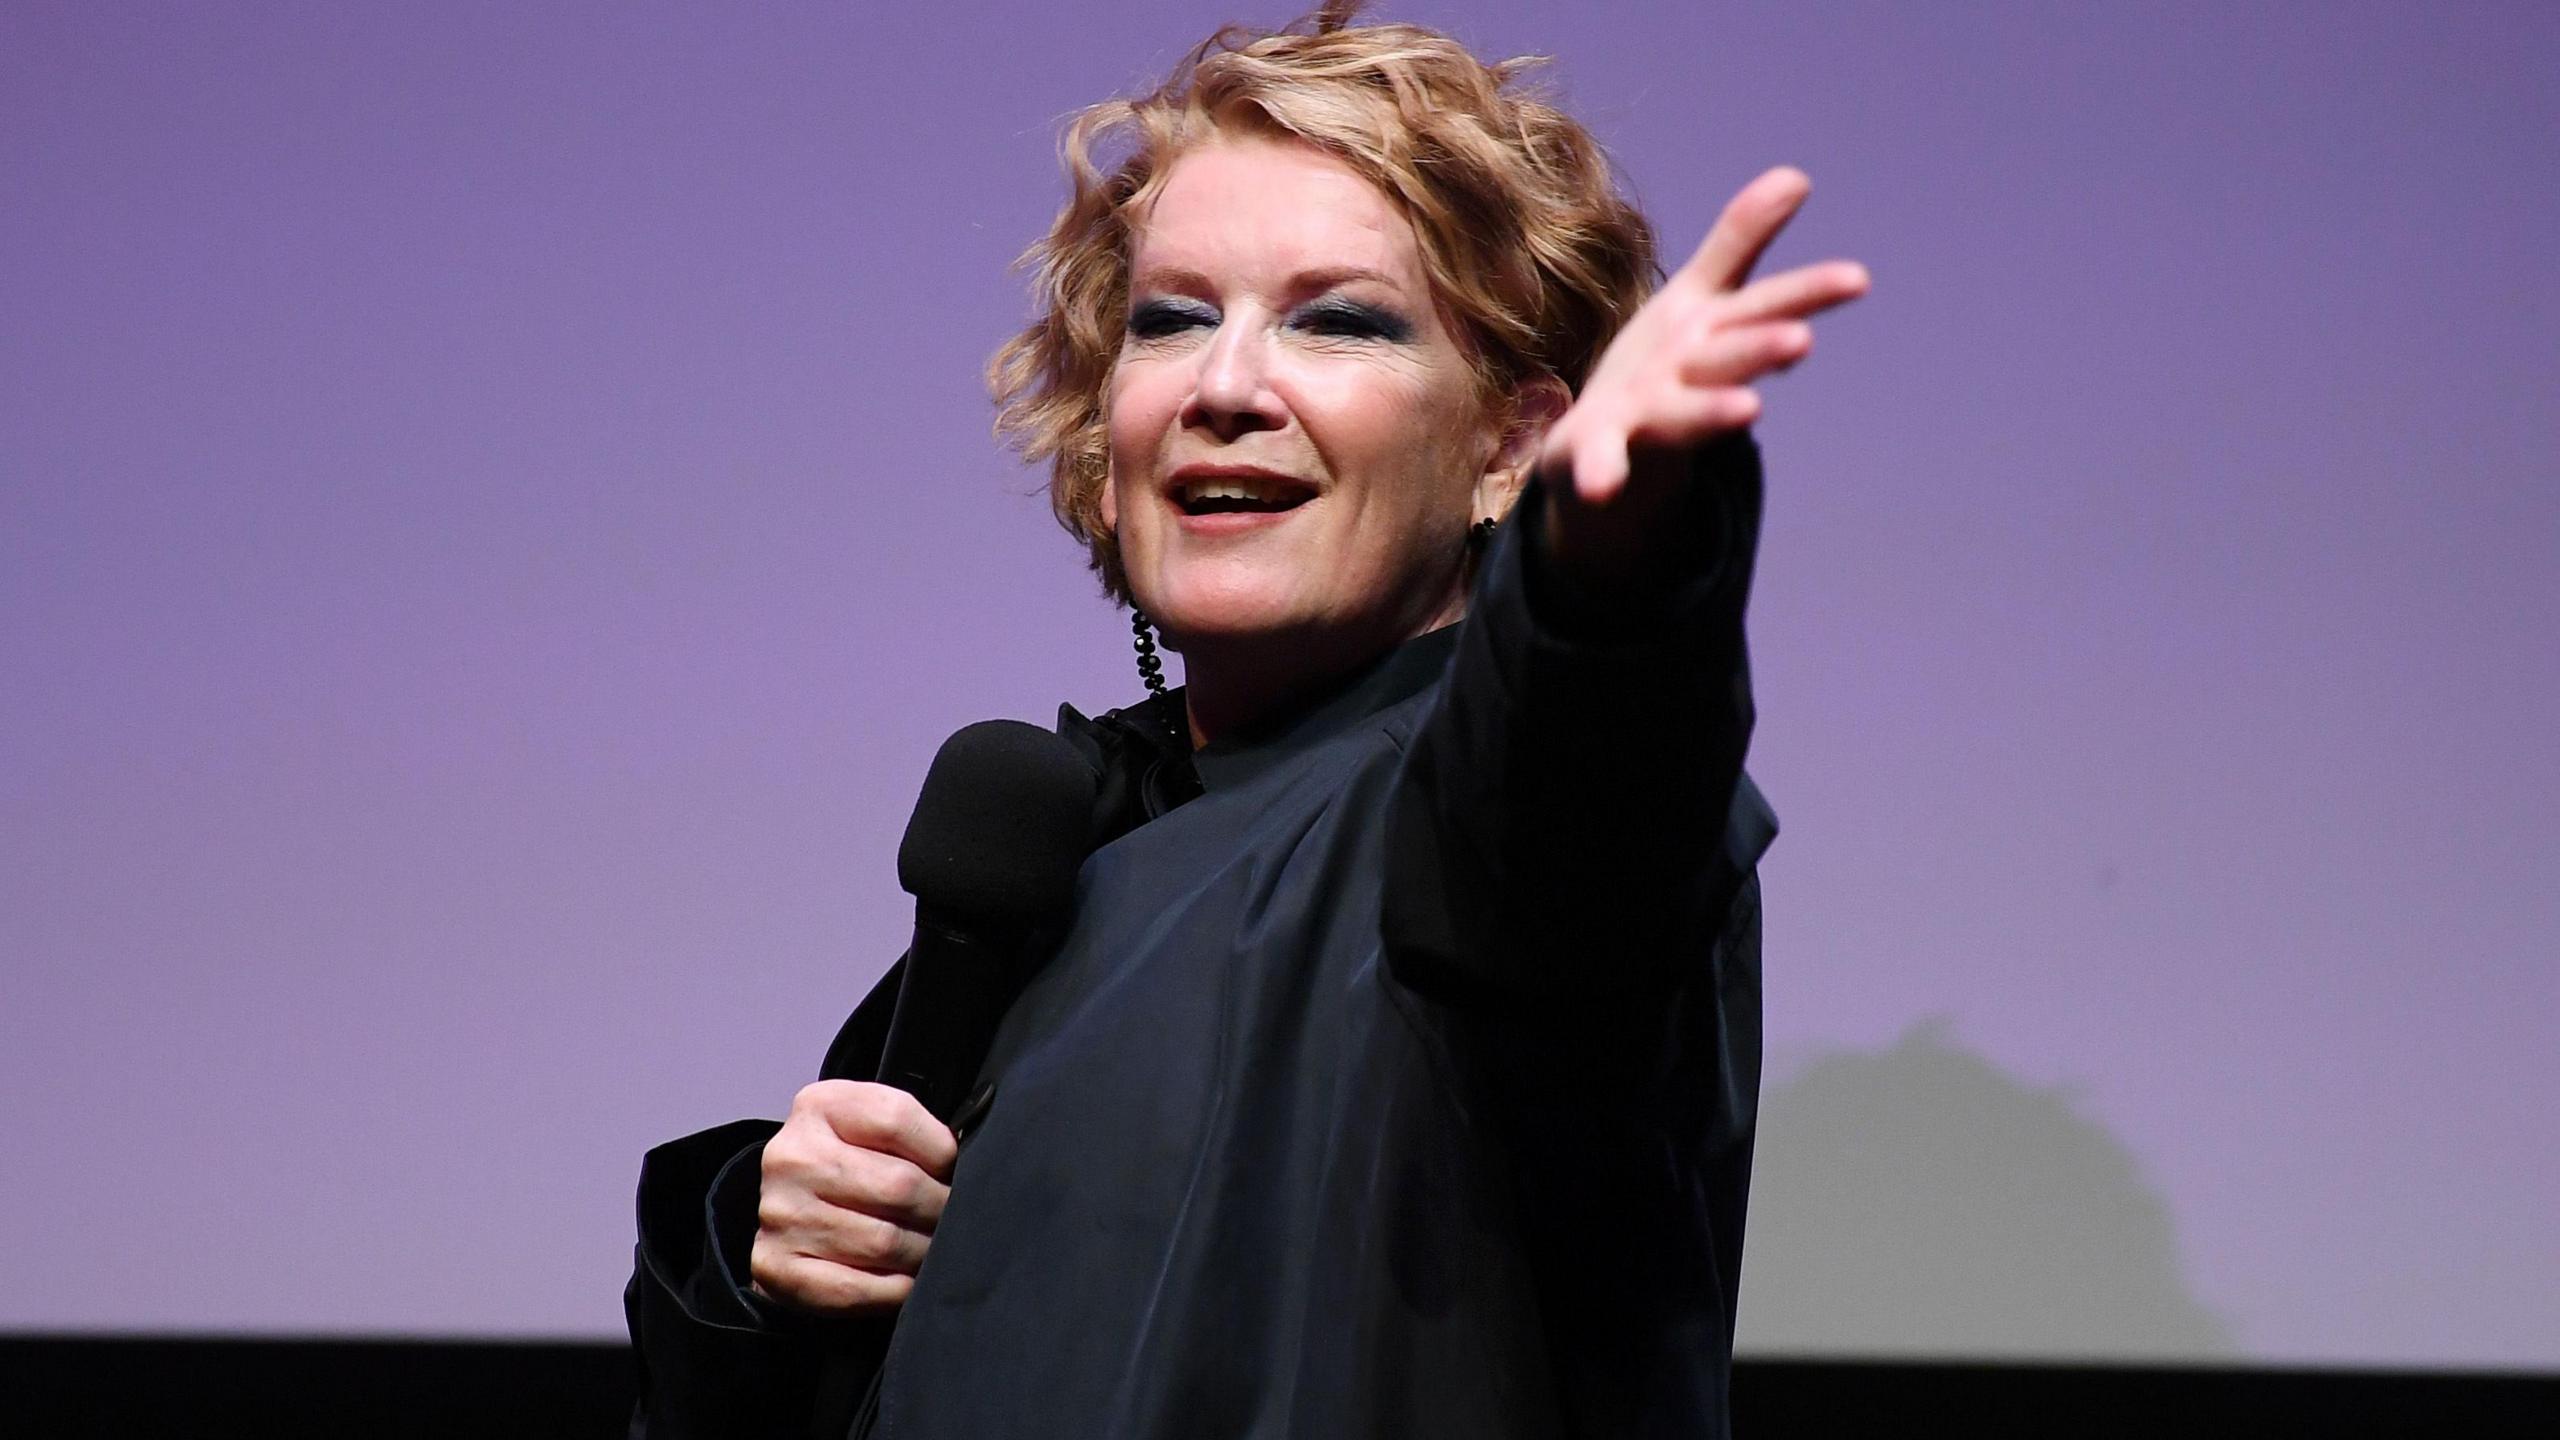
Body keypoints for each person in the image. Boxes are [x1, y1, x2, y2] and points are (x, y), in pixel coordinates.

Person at [624, 6, 1867, 1436]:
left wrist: (1610, 554)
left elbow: (1583, 776)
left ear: (1507, 448)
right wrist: (769, 1246)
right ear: (1105, 450)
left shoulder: (1482, 829)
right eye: (1171, 320)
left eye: (1339, 320)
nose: (1225, 387)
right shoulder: (1052, 864)